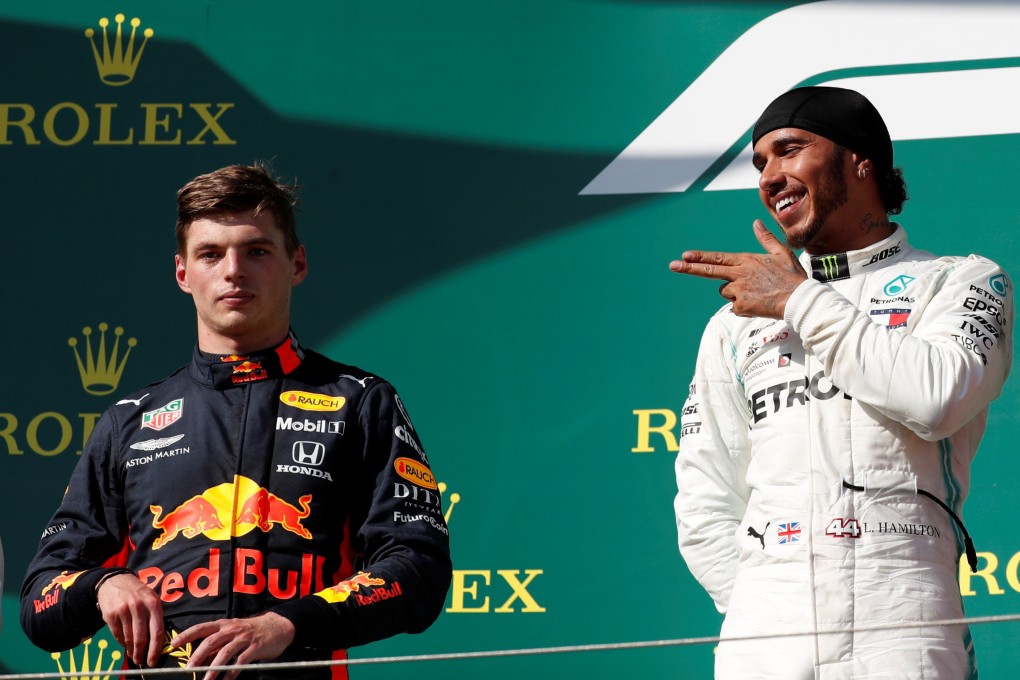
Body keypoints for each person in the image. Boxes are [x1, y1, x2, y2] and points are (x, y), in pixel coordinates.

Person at [21, 164, 452, 680]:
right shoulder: (128, 421)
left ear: (297, 263)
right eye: (210, 254)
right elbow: (40, 603)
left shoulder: (360, 401)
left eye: (256, 251)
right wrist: (101, 586)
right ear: (182, 273)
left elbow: (418, 571)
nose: (233, 270)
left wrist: (286, 625)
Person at [670, 86, 1013, 678]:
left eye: (790, 150)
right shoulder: (732, 324)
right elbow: (705, 501)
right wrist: (764, 606)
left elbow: (938, 398)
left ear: (862, 162)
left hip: (905, 612)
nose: (770, 176)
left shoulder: (960, 281)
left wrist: (800, 301)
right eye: (760, 164)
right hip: (766, 631)